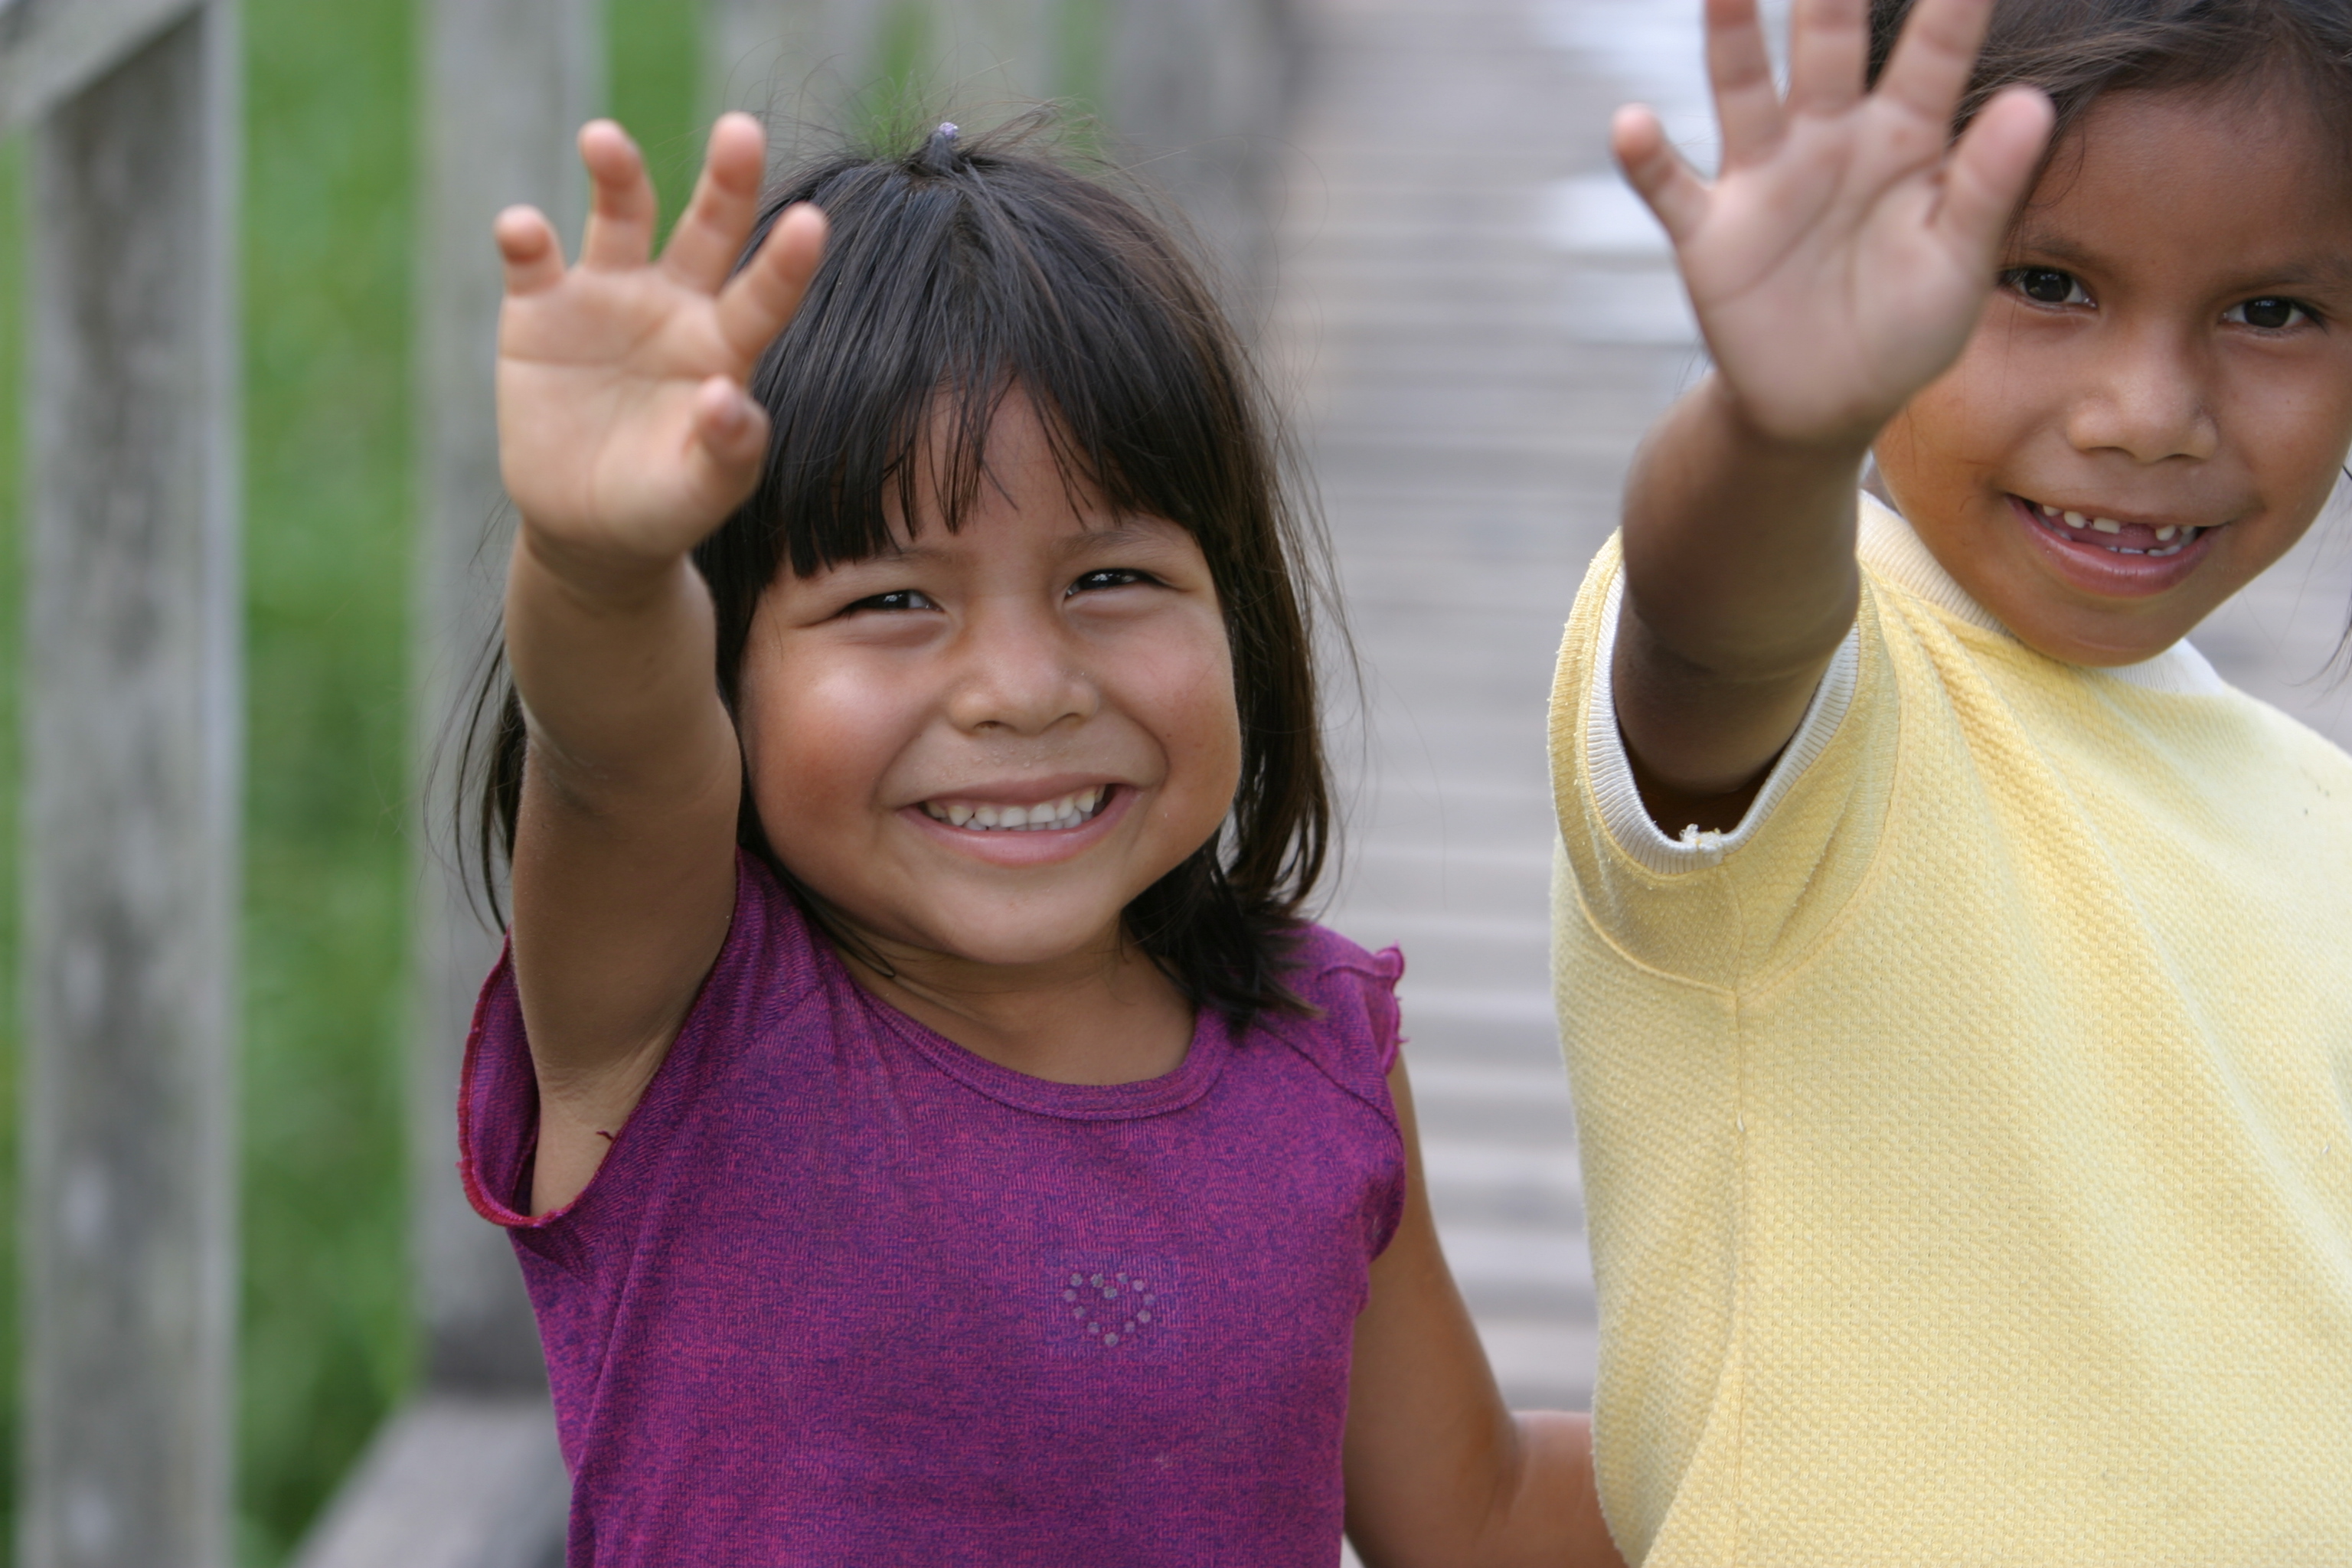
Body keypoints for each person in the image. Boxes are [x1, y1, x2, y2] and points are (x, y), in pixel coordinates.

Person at [462, 109, 1624, 1567]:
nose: (1023, 688)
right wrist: (598, 565)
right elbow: (622, 762)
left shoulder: (1318, 1052)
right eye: (892, 601)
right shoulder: (678, 1018)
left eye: (1114, 578)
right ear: (722, 671)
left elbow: (1478, 1512)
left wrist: (1845, 1423)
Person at [1549, 0, 2352, 1559]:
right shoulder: (1836, 690)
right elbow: (1712, 638)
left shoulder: (2321, 819)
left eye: (2272, 313)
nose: (2147, 416)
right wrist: (1780, 434)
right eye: (2044, 284)